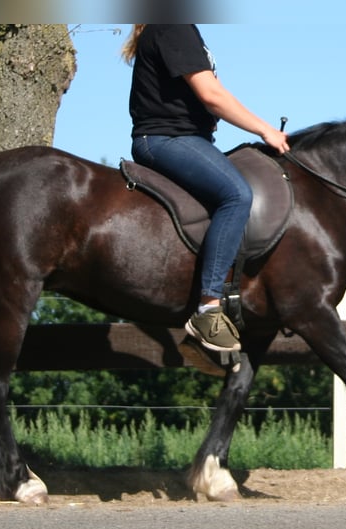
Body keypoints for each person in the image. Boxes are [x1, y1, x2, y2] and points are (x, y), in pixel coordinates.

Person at [122, 24, 289, 355]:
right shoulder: (173, 26)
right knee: (236, 195)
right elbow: (212, 96)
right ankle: (209, 309)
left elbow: (217, 91)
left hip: (187, 138)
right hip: (165, 139)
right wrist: (265, 130)